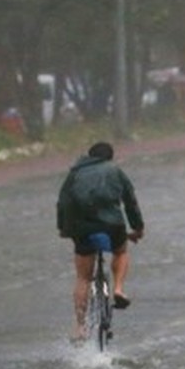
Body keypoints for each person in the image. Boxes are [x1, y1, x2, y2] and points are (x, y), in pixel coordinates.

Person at [56, 142, 145, 340]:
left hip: (82, 228)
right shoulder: (115, 171)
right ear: (109, 158)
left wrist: (64, 229)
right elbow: (130, 201)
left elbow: (62, 203)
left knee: (83, 277)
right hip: (112, 225)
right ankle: (119, 289)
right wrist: (137, 228)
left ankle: (80, 327)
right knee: (121, 251)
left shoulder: (74, 173)